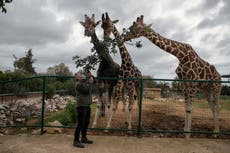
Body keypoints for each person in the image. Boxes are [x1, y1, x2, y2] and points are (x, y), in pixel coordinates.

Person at [73, 70, 95, 148]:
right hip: (81, 106)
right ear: (77, 78)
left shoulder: (84, 83)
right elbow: (86, 90)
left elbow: (93, 81)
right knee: (80, 123)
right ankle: (76, 140)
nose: (82, 76)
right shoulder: (78, 85)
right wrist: (90, 82)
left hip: (87, 105)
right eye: (79, 75)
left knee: (86, 122)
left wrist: (91, 76)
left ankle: (83, 137)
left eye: (82, 75)